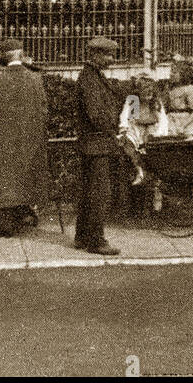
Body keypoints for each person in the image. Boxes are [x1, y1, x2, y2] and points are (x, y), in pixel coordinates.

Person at [0, 38, 50, 236]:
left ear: (3, 56)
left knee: (3, 180)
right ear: (21, 54)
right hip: (30, 141)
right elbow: (44, 111)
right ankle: (24, 215)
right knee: (24, 178)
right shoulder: (36, 79)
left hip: (3, 141)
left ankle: (5, 224)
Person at [74, 36, 123, 254]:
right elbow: (96, 115)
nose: (111, 59)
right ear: (95, 55)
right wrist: (115, 125)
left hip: (93, 143)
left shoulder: (92, 77)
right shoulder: (90, 79)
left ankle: (83, 236)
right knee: (99, 193)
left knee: (89, 191)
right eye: (108, 55)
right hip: (97, 143)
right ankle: (96, 240)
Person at [166, 57, 193, 138]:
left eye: (174, 72)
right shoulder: (170, 89)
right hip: (171, 120)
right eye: (171, 72)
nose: (171, 74)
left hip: (185, 121)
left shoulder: (189, 89)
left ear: (183, 74)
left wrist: (183, 126)